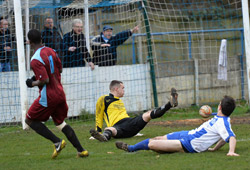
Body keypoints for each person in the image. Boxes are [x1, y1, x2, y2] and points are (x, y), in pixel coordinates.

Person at [25, 29, 89, 158]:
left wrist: (31, 83)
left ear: (29, 42)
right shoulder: (51, 51)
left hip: (48, 96)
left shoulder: (35, 59)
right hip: (60, 93)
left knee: (29, 120)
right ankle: (81, 150)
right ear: (41, 38)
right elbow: (59, 69)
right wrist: (36, 77)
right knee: (60, 122)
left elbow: (44, 80)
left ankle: (57, 142)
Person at [115, 95, 239, 157]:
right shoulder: (221, 118)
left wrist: (231, 152)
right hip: (188, 134)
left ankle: (130, 148)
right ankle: (165, 149)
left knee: (152, 143)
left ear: (220, 107)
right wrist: (215, 149)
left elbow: (231, 137)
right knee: (158, 139)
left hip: (189, 144)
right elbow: (224, 137)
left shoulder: (223, 123)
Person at [89, 80, 178, 142]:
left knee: (147, 115)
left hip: (129, 123)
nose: (124, 90)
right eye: (122, 88)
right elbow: (98, 115)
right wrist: (98, 131)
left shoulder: (119, 101)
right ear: (116, 89)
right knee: (110, 129)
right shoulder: (104, 99)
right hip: (117, 127)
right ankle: (103, 136)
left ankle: (170, 104)